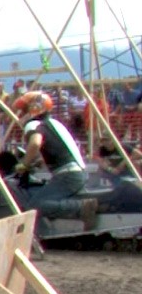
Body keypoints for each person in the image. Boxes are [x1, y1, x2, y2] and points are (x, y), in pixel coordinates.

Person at [11, 91, 98, 230]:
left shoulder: (34, 125)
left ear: (33, 109)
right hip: (75, 172)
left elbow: (35, 144)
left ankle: (81, 208)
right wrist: (38, 162)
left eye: (24, 110)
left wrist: (23, 164)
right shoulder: (53, 123)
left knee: (35, 205)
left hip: (67, 175)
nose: (21, 114)